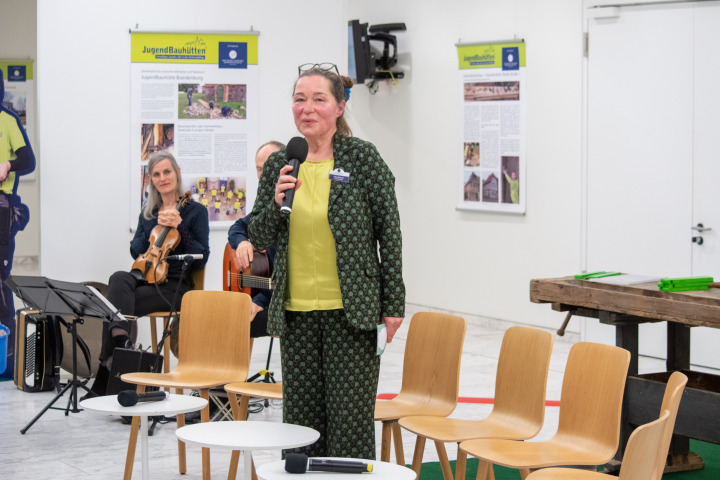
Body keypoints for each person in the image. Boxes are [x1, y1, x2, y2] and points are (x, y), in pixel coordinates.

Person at [249, 63, 405, 459]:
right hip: (297, 313)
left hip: (351, 313)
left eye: (319, 99)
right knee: (301, 428)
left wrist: (393, 304)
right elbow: (260, 235)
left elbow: (390, 232)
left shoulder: (363, 159)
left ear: (339, 107)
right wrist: (276, 200)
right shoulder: (280, 163)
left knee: (349, 426)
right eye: (300, 99)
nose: (307, 108)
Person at [87, 150, 209, 396]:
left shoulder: (195, 211)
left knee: (115, 305)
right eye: (156, 174)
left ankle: (105, 370)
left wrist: (180, 226)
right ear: (151, 180)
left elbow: (202, 257)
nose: (162, 178)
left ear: (177, 173)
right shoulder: (149, 211)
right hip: (147, 277)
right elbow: (135, 250)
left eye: (166, 171)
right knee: (119, 278)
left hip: (175, 285)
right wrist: (153, 228)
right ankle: (123, 346)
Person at [227, 140, 284, 337]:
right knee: (226, 315)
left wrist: (261, 301)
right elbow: (237, 227)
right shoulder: (265, 205)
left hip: (286, 301)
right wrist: (242, 242)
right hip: (267, 293)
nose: (263, 174)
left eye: (269, 167)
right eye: (259, 169)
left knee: (234, 322)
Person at [0, 70, 35, 380]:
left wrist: (8, 164)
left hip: (1, 205)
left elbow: (28, 161)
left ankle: (5, 363)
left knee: (0, 281)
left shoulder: (7, 120)